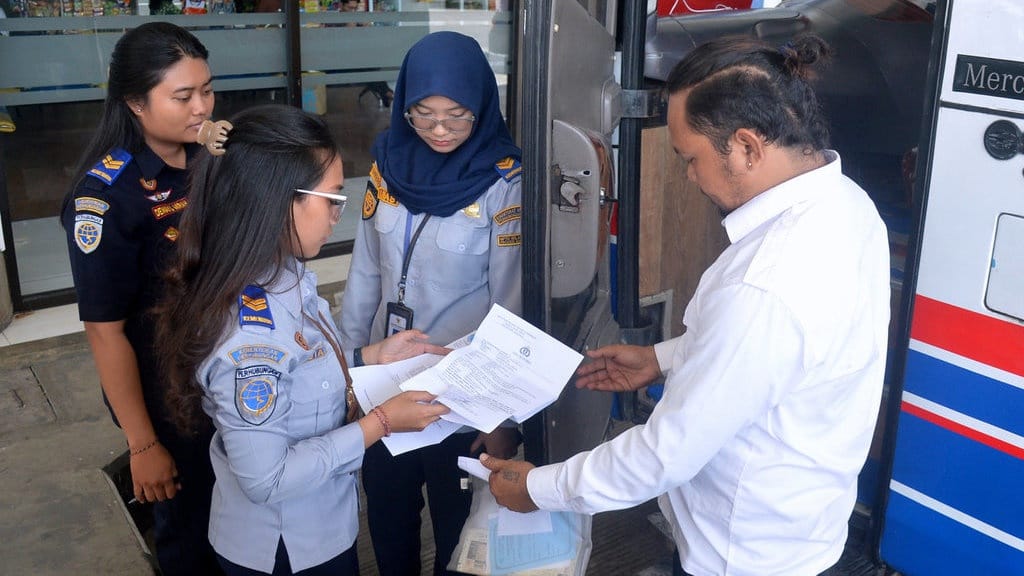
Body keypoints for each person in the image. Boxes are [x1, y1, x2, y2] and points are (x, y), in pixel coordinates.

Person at [482, 35, 892, 576]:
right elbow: (772, 354)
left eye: (690, 158)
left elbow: (662, 455)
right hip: (800, 527)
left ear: (746, 147)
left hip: (740, 555)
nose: (689, 176)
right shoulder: (847, 204)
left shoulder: (765, 284)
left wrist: (536, 487)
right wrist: (664, 358)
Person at [153, 104, 452, 576]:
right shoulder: (250, 343)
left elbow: (302, 373)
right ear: (280, 201)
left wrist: (369, 356)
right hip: (284, 548)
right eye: (332, 198)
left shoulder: (279, 271)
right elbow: (267, 479)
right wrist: (381, 423)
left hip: (321, 526)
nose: (338, 214)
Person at [338, 31, 523, 576]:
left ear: (482, 108)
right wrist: (349, 371)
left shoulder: (503, 182)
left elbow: (511, 304)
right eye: (423, 114)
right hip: (384, 387)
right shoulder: (387, 167)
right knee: (389, 523)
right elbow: (365, 271)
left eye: (456, 115)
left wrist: (503, 416)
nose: (439, 130)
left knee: (456, 532)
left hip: (460, 400)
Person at [60, 22, 221, 575]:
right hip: (169, 398)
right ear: (134, 102)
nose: (201, 107)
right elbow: (105, 330)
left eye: (207, 89)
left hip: (229, 374)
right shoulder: (105, 198)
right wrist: (143, 443)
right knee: (192, 535)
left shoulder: (208, 158)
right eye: (183, 96)